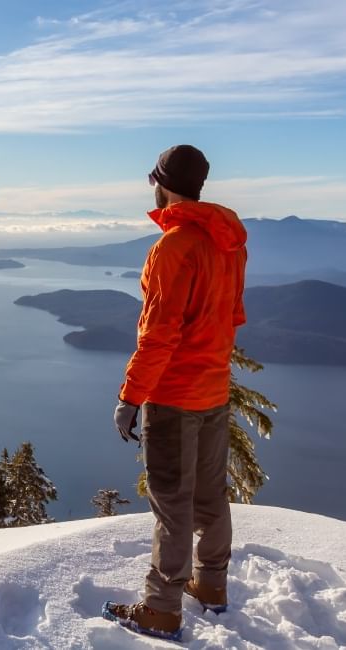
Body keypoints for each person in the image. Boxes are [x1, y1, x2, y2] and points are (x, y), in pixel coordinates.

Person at [102, 144, 248, 641]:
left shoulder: (173, 246)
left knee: (171, 502)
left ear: (162, 184)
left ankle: (162, 608)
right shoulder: (228, 241)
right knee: (211, 495)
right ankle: (210, 585)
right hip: (212, 390)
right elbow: (232, 316)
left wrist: (130, 398)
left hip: (174, 395)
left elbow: (159, 333)